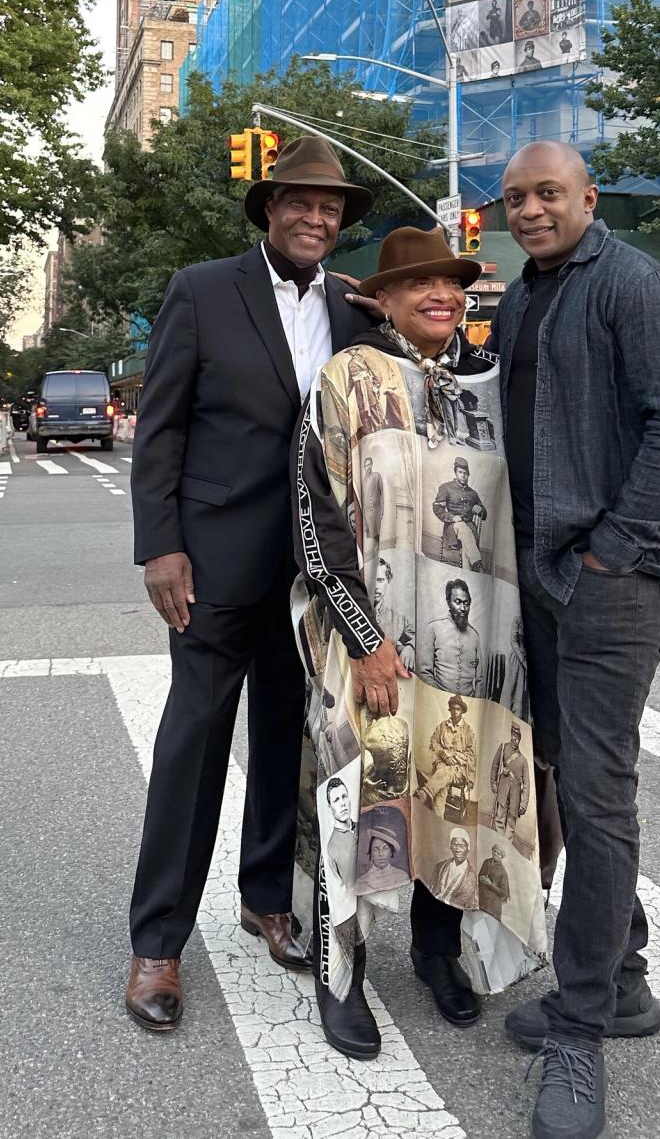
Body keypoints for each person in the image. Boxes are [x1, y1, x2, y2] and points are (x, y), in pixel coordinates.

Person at [489, 142, 660, 1139]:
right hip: (542, 579)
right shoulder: (521, 297)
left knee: (594, 789)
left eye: (546, 194)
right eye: (514, 199)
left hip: (610, 584)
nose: (529, 211)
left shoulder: (634, 285)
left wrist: (611, 551)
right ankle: (618, 977)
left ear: (587, 197)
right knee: (566, 776)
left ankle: (579, 1028)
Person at [124, 137, 375, 1033]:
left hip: (311, 575)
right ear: (270, 207)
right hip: (214, 560)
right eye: (302, 202)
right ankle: (157, 941)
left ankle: (268, 896)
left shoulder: (353, 306)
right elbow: (161, 428)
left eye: (332, 207)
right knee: (193, 743)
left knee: (284, 740)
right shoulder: (201, 290)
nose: (317, 218)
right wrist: (161, 544)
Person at [293, 225, 545, 1059]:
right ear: (383, 298)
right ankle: (344, 970)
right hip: (376, 651)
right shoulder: (348, 378)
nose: (441, 295)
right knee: (359, 797)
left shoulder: (492, 383)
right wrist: (362, 639)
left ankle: (438, 952)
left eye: (452, 283)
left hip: (476, 654)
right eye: (420, 284)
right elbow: (313, 514)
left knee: (459, 796)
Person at [423, 580, 484, 695]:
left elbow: (480, 680)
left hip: (468, 705)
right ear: (448, 602)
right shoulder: (434, 629)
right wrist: (440, 698)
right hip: (439, 701)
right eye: (458, 602)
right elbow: (424, 672)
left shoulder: (475, 636)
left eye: (466, 603)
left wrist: (474, 705)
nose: (462, 608)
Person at [491, 720, 531, 832]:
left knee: (511, 824)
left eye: (517, 737)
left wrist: (523, 803)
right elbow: (495, 766)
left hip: (516, 795)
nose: (514, 739)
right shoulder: (503, 748)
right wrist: (493, 783)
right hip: (503, 789)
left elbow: (527, 784)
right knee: (499, 818)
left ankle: (506, 845)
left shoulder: (523, 760)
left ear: (520, 739)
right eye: (513, 735)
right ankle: (498, 840)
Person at [479, 841, 510, 919]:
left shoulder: (503, 871)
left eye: (498, 853)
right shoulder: (486, 862)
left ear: (501, 857)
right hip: (482, 900)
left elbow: (504, 893)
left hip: (493, 904)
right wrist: (481, 878)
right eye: (494, 851)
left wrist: (490, 884)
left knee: (491, 926)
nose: (495, 854)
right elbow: (480, 875)